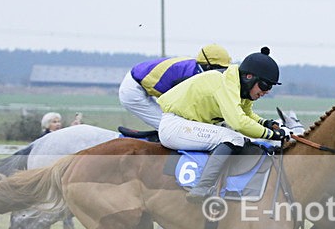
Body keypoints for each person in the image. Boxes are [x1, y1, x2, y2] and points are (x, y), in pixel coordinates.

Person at [157, 46, 286, 203]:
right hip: (175, 126)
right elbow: (238, 122)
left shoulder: (238, 87)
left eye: (270, 87)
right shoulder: (224, 83)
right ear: (249, 77)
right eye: (265, 85)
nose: (266, 91)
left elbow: (246, 114)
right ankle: (202, 188)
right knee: (234, 138)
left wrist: (264, 122)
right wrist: (270, 134)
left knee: (238, 137)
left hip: (186, 123)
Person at [119, 44, 232, 129]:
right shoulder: (188, 77)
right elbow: (178, 105)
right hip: (133, 90)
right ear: (207, 65)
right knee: (171, 127)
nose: (222, 72)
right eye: (219, 67)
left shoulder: (199, 70)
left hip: (143, 81)